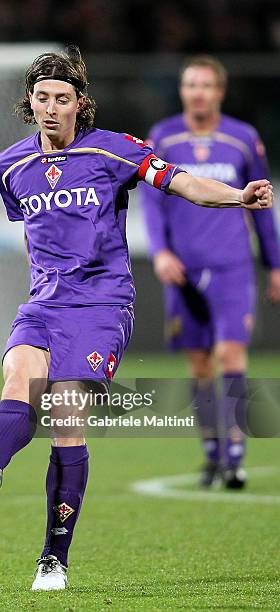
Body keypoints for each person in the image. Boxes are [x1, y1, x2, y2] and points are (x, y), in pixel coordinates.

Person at [0, 47, 273, 591]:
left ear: (79, 104)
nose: (52, 107)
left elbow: (181, 182)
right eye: (43, 98)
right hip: (41, 303)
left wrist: (236, 196)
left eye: (63, 99)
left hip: (103, 305)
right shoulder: (10, 166)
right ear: (30, 103)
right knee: (18, 379)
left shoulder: (113, 150)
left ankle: (52, 559)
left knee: (65, 413)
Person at [140, 55, 280, 490]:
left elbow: (261, 205)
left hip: (232, 265)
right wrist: (160, 252)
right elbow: (152, 201)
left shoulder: (243, 138)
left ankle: (235, 460)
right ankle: (213, 452)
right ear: (182, 91)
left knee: (230, 357)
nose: (196, 92)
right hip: (183, 268)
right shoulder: (163, 136)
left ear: (219, 91)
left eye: (204, 85)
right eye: (189, 85)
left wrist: (275, 265)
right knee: (199, 365)